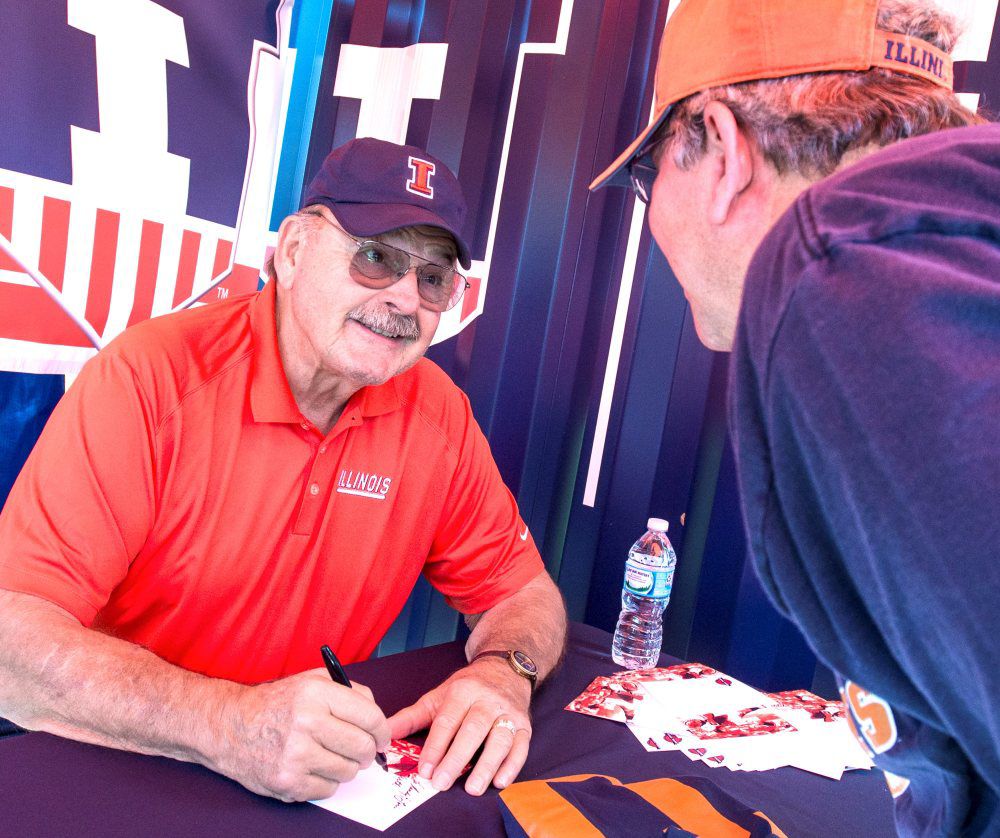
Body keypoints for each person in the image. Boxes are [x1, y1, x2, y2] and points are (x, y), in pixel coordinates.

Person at [0, 138, 567, 802]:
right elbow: (13, 643)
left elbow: (524, 596)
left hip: (306, 783)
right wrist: (227, 723)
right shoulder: (149, 380)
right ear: (294, 250)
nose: (407, 300)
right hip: (115, 765)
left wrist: (504, 673)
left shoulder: (436, 414)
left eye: (434, 277)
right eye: (376, 257)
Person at [591, 0, 999, 834]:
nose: (651, 209)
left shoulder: (839, 281)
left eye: (649, 176)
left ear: (723, 147)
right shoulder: (957, 246)